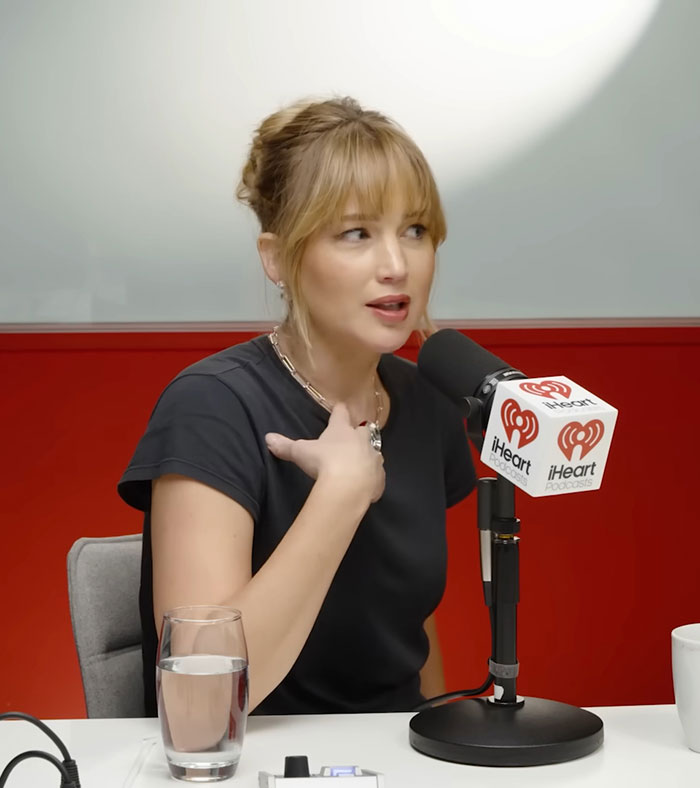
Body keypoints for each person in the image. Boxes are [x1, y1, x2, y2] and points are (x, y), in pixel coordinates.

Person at [118, 96, 476, 716]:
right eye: (357, 233)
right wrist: (339, 495)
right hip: (245, 758)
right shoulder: (212, 408)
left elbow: (411, 639)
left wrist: (433, 743)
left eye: (415, 230)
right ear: (278, 258)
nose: (397, 265)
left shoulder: (426, 402)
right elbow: (199, 702)